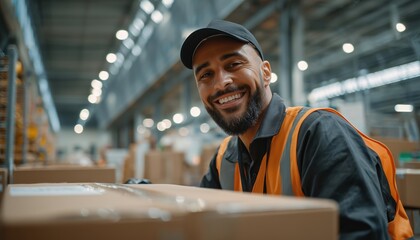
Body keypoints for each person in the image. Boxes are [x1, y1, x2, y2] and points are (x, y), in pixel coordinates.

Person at [180, 19, 414, 240]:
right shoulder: (225, 160)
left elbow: (361, 234)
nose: (221, 83)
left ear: (266, 73)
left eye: (233, 64)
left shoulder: (320, 134)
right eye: (206, 75)